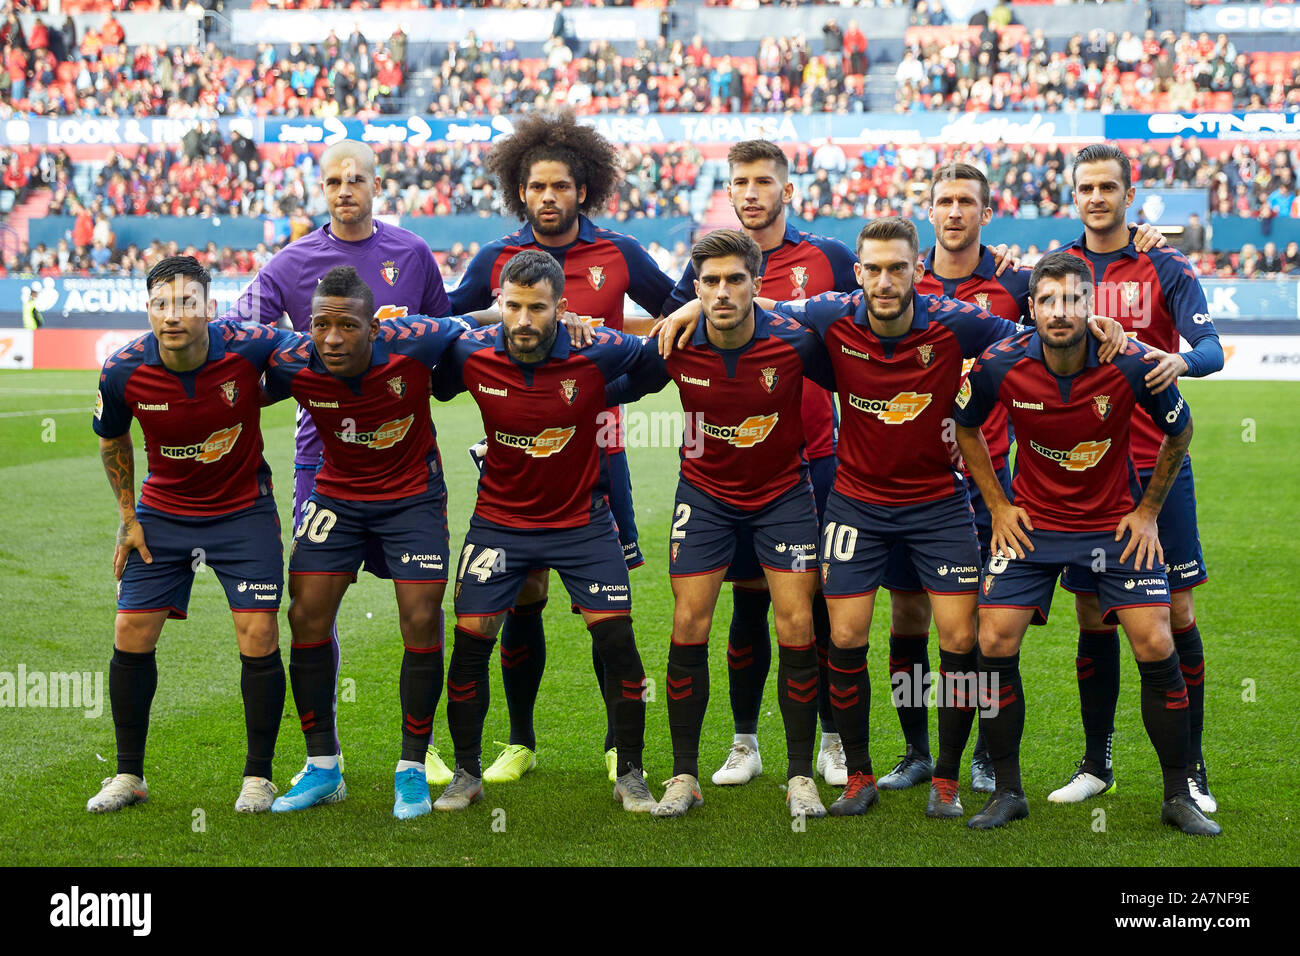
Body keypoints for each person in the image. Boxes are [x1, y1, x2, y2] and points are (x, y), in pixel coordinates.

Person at [660, 218, 1127, 817]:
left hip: (938, 505)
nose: (885, 281)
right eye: (874, 269)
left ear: (916, 270)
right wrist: (688, 313)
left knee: (962, 640)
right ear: (858, 274)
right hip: (856, 504)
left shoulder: (954, 320)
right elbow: (757, 302)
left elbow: (1033, 336)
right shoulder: (830, 316)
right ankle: (858, 776)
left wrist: (1093, 323)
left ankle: (949, 781)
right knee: (847, 636)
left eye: (897, 268)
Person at [877, 164, 1167, 794]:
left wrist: (1105, 323)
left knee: (989, 628)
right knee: (909, 616)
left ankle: (991, 758)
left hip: (996, 488)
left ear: (987, 213)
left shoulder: (1013, 280)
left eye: (967, 203)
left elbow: (1058, 316)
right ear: (928, 211)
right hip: (912, 476)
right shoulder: (899, 278)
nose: (954, 213)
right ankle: (917, 750)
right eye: (943, 201)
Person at [953, 251, 1218, 836]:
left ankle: (1179, 794)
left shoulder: (1129, 363)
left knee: (1154, 639)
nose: (1060, 310)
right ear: (1032, 308)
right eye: (1048, 299)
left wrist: (1148, 510)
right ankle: (1007, 791)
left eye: (1073, 299)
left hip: (1112, 525)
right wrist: (998, 504)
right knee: (992, 639)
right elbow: (965, 426)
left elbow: (1181, 429)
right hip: (1033, 526)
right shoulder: (1001, 363)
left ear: (1091, 306)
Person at [449, 111, 675, 784]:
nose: (548, 197)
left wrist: (611, 392)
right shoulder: (497, 260)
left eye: (561, 186)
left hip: (597, 444)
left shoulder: (620, 254)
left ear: (585, 190)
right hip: (519, 449)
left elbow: (673, 314)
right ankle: (520, 741)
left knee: (603, 606)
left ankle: (617, 746)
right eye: (536, 186)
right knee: (523, 595)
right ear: (520, 191)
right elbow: (454, 324)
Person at [223, 139, 456, 787]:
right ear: (321, 189)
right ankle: (322, 756)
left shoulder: (410, 253)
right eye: (333, 181)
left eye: (356, 179)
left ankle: (421, 749)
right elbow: (243, 334)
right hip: (321, 458)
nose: (345, 189)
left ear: (376, 184)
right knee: (312, 604)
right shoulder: (291, 263)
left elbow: (446, 342)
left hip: (404, 459)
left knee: (420, 609)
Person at [609, 229, 837, 818]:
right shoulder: (677, 340)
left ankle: (799, 777)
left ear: (757, 285)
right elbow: (611, 383)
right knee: (688, 621)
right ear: (696, 288)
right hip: (705, 497)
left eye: (734, 279)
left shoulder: (795, 341)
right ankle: (684, 776)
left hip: (784, 494)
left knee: (795, 626)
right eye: (709, 281)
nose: (722, 291)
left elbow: (863, 373)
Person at [429, 250, 662, 813]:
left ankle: (629, 772)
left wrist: (610, 389)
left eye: (538, 308)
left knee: (617, 643)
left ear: (562, 307)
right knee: (469, 646)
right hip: (499, 523)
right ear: (499, 306)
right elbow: (435, 382)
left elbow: (654, 369)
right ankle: (466, 772)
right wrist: (477, 319)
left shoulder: (595, 350)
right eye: (513, 307)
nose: (525, 321)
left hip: (582, 521)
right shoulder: (471, 352)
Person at [661, 140, 857, 789]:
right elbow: (666, 330)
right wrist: (692, 304)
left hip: (815, 460)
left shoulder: (827, 256)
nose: (750, 191)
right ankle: (745, 742)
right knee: (747, 605)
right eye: (739, 180)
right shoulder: (712, 262)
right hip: (728, 474)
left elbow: (869, 321)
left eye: (762, 181)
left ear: (786, 189)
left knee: (817, 605)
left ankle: (830, 741)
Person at [89, 256, 293, 814]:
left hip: (242, 510)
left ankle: (259, 776)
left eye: (186, 302)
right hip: (164, 510)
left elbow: (313, 359)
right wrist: (129, 519)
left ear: (210, 306)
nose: (173, 314)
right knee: (130, 630)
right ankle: (129, 775)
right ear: (147, 309)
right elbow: (113, 440)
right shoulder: (122, 369)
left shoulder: (250, 345)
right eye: (161, 304)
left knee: (258, 636)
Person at [261, 267, 468, 820]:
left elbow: (481, 322)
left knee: (421, 617)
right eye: (320, 325)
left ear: (374, 327)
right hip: (337, 495)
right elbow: (228, 361)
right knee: (304, 614)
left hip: (413, 497)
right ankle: (323, 766)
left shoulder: (415, 341)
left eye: (347, 326)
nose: (332, 338)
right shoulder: (291, 360)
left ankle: (412, 767)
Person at [1057, 144, 1223, 812]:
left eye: (1106, 187)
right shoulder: (1059, 270)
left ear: (1130, 193)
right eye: (1084, 188)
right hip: (1083, 472)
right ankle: (1097, 763)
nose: (1095, 197)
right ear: (1074, 197)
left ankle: (1193, 768)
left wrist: (1174, 362)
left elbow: (1211, 349)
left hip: (1158, 465)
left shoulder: (1164, 263)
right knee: (1093, 614)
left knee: (1176, 610)